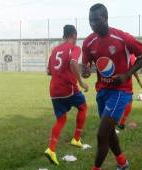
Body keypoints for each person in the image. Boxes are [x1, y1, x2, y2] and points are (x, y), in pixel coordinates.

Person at [81, 3, 142, 170]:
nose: (92, 24)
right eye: (90, 21)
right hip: (102, 90)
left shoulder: (122, 37)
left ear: (105, 18)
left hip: (121, 91)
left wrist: (126, 75)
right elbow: (86, 67)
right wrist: (85, 71)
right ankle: (122, 163)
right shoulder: (89, 42)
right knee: (109, 132)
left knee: (102, 134)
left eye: (96, 20)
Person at [44, 25, 89, 165]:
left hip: (54, 90)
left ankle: (51, 150)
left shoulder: (55, 50)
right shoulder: (75, 48)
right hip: (68, 88)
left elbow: (49, 72)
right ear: (74, 35)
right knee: (83, 107)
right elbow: (73, 63)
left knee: (61, 119)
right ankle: (76, 139)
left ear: (64, 36)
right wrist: (81, 82)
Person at [118, 54, 142, 130]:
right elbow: (134, 69)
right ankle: (121, 123)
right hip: (126, 84)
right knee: (128, 102)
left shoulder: (116, 53)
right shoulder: (130, 56)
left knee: (117, 102)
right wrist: (138, 80)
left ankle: (115, 121)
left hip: (115, 82)